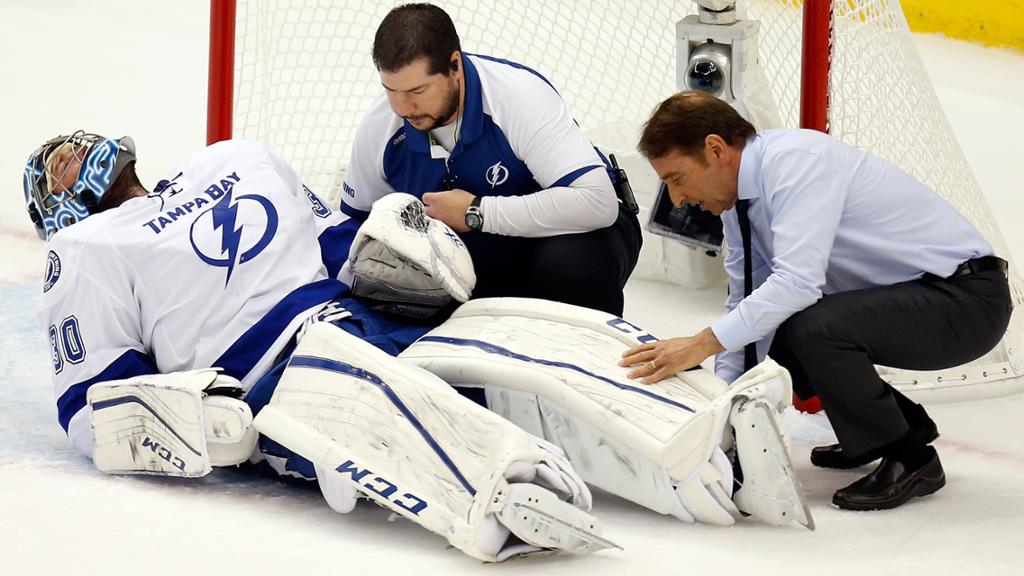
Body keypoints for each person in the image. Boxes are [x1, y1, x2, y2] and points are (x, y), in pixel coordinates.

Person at [23, 131, 610, 561]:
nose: (65, 156)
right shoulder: (103, 236)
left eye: (65, 152)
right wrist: (197, 418)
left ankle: (573, 436)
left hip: (331, 340)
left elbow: (337, 242)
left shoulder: (216, 168)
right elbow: (95, 404)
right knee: (410, 399)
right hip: (291, 372)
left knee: (479, 375)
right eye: (53, 166)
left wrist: (403, 262)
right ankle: (515, 470)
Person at [618, 91, 1012, 511]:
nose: (677, 200)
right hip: (919, 300)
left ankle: (912, 458)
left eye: (676, 179)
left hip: (966, 302)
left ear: (716, 150)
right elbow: (745, 305)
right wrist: (721, 416)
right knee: (773, 323)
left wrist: (700, 344)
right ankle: (902, 425)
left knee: (812, 325)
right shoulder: (738, 205)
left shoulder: (796, 163)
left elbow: (797, 283)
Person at [341, 3, 641, 316]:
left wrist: (477, 212)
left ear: (454, 65)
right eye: (390, 90)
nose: (402, 108)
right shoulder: (380, 128)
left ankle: (592, 359)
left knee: (570, 267)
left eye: (418, 90)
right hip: (478, 258)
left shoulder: (518, 97)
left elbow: (597, 203)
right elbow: (353, 227)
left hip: (571, 235)